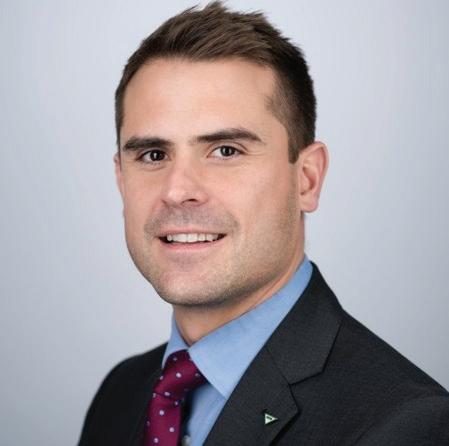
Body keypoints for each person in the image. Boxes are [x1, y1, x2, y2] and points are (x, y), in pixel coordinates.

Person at [78, 2, 449, 445]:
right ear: (121, 179)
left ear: (307, 179)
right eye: (153, 155)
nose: (177, 190)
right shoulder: (120, 393)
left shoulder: (405, 426)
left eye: (226, 151)